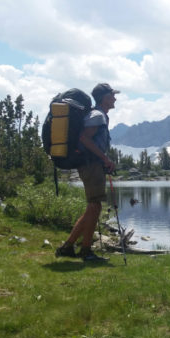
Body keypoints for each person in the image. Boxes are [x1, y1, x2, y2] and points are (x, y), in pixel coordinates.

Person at [55, 83, 118, 261]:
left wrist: (104, 159)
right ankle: (85, 251)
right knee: (95, 205)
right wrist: (105, 159)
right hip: (91, 165)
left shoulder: (99, 115)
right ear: (104, 98)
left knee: (93, 206)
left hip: (92, 164)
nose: (115, 98)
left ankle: (68, 247)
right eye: (112, 95)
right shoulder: (97, 115)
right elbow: (85, 138)